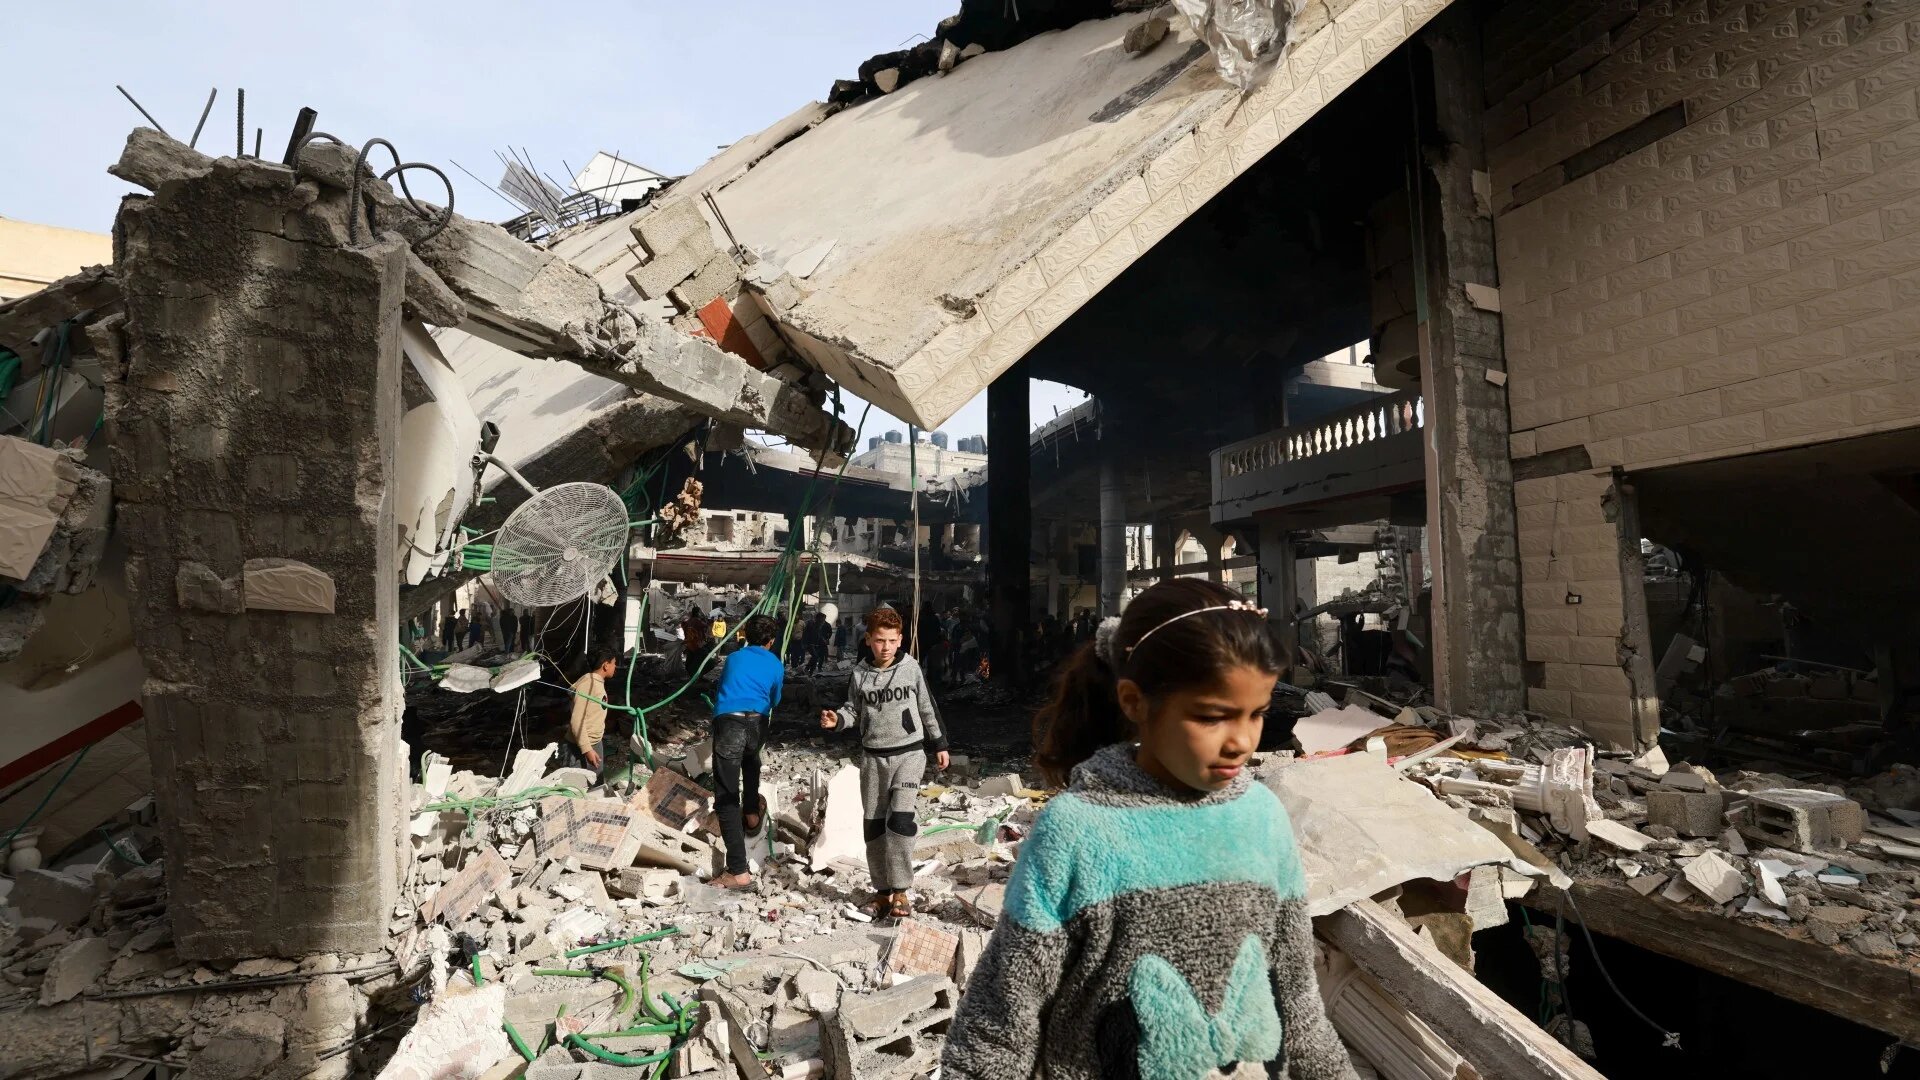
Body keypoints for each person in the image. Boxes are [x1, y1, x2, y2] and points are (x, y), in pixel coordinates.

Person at [939, 579, 1355, 1080]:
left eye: (1257, 714)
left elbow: (1297, 998)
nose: (1241, 742)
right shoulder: (1077, 832)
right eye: (1212, 717)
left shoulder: (1261, 818)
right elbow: (1002, 1019)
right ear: (1135, 702)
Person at [820, 608, 948, 920]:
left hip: (909, 754)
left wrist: (940, 743)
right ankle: (882, 892)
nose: (886, 647)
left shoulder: (911, 667)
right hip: (873, 757)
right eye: (880, 640)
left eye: (892, 640)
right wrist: (837, 719)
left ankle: (902, 891)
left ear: (901, 639)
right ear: (868, 640)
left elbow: (926, 706)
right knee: (874, 827)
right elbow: (853, 710)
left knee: (901, 823)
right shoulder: (860, 673)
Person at [708, 615, 785, 889]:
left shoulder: (733, 658)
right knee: (752, 761)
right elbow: (775, 698)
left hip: (729, 721)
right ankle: (752, 814)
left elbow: (722, 688)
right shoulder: (776, 663)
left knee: (727, 796)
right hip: (757, 723)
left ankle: (738, 871)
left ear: (745, 636)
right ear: (771, 641)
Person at [566, 649, 618, 779]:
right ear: (605, 665)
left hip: (593, 741)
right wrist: (587, 749)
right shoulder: (588, 684)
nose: (615, 666)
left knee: (596, 781)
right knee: (577, 784)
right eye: (614, 663)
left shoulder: (595, 681)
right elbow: (577, 720)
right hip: (582, 745)